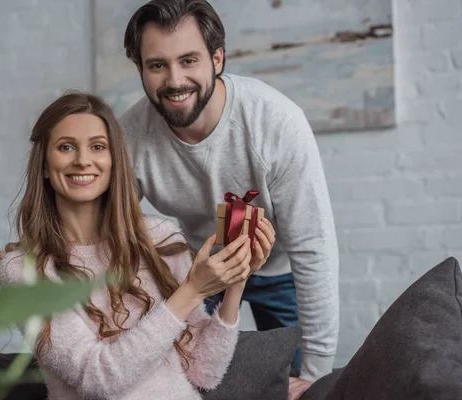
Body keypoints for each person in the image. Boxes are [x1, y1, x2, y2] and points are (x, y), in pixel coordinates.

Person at [118, 0, 340, 397]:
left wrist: (317, 374)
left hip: (279, 270)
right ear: (140, 70)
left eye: (189, 60)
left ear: (217, 58)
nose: (174, 80)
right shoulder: (130, 137)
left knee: (298, 383)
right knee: (188, 378)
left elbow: (314, 248)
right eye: (157, 65)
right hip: (203, 267)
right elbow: (106, 229)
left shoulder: (276, 122)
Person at [0, 92, 276, 399]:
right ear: (46, 166)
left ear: (114, 161)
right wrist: (191, 290)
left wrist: (237, 278)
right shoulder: (24, 272)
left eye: (98, 147)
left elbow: (204, 372)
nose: (83, 160)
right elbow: (99, 380)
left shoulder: (161, 239)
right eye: (66, 147)